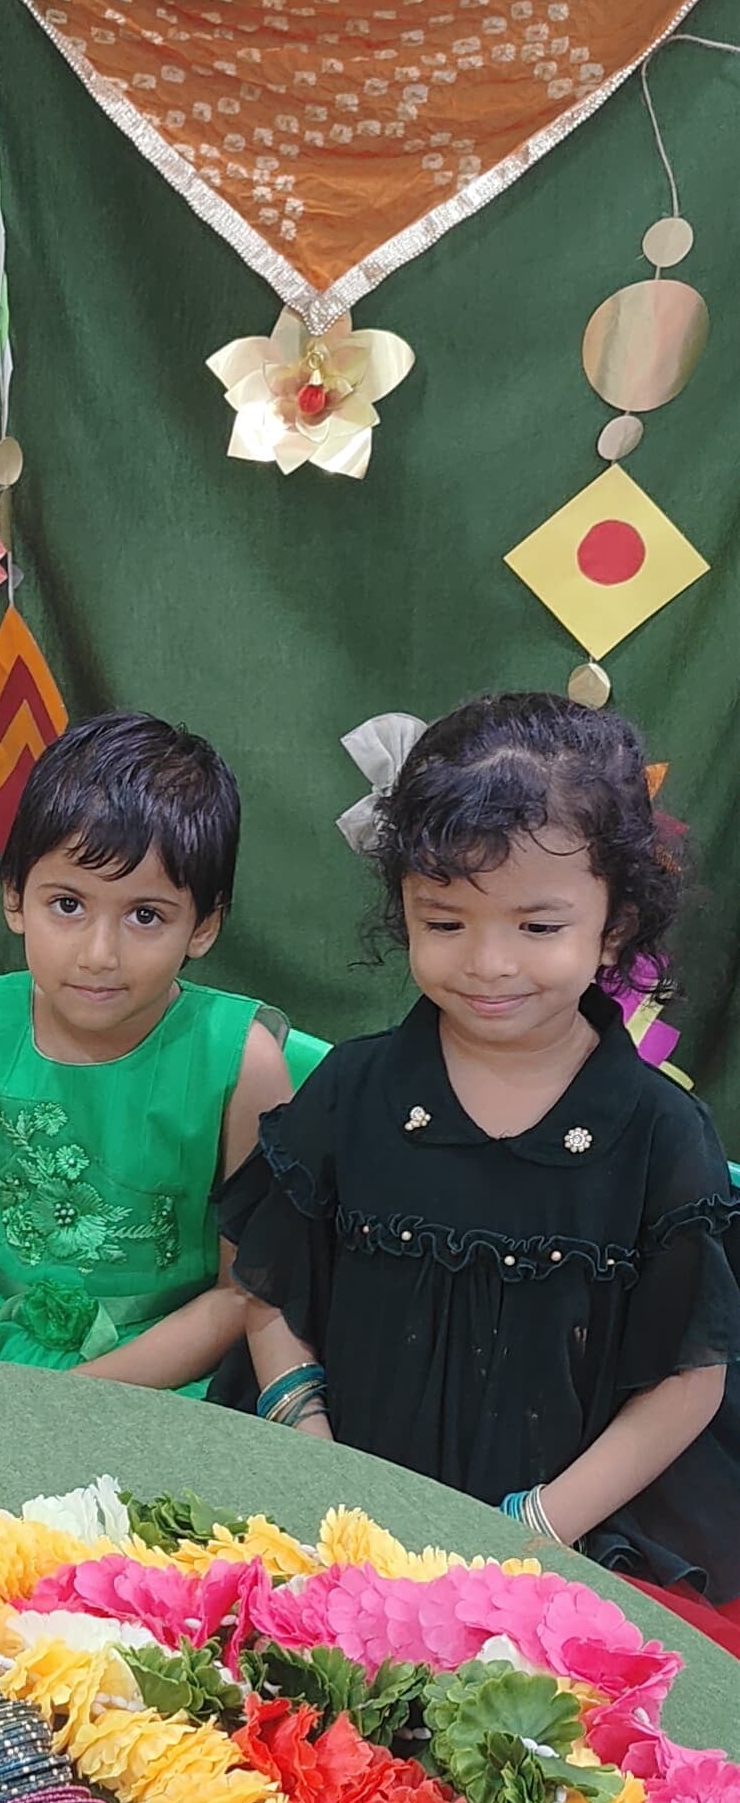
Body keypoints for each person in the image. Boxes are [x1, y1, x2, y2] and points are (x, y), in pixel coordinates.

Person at [217, 690, 740, 1614]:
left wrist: (530, 1531)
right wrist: (313, 1450)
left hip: (570, 1539)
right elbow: (271, 1292)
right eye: (446, 922)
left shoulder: (663, 1135)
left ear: (615, 923)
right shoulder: (351, 1088)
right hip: (329, 1511)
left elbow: (688, 1378)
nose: (489, 964)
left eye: (538, 927)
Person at [0, 708, 291, 1377]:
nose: (99, 954)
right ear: (15, 897)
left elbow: (241, 1291)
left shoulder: (245, 1064)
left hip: (157, 1373)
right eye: (68, 905)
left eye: (145, 915)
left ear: (204, 926)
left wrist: (75, 1400)